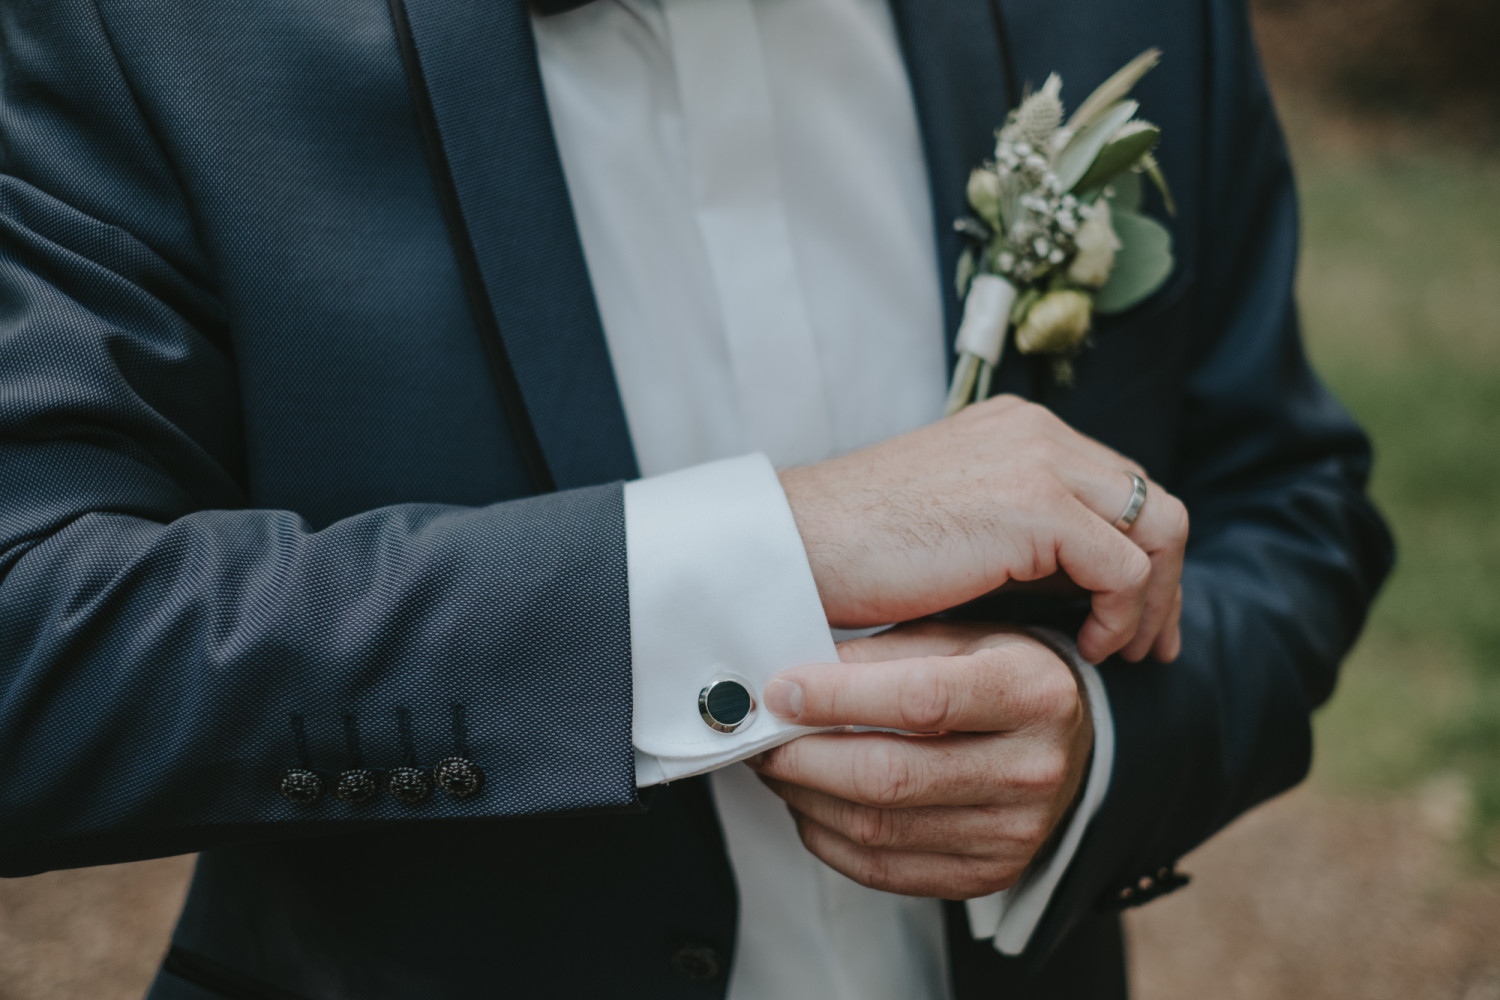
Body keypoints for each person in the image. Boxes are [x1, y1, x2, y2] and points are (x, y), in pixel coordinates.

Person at [0, 0, 1392, 997]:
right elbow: (36, 645)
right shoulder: (142, 30)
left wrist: (1102, 747)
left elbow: (1290, 501)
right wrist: (769, 554)